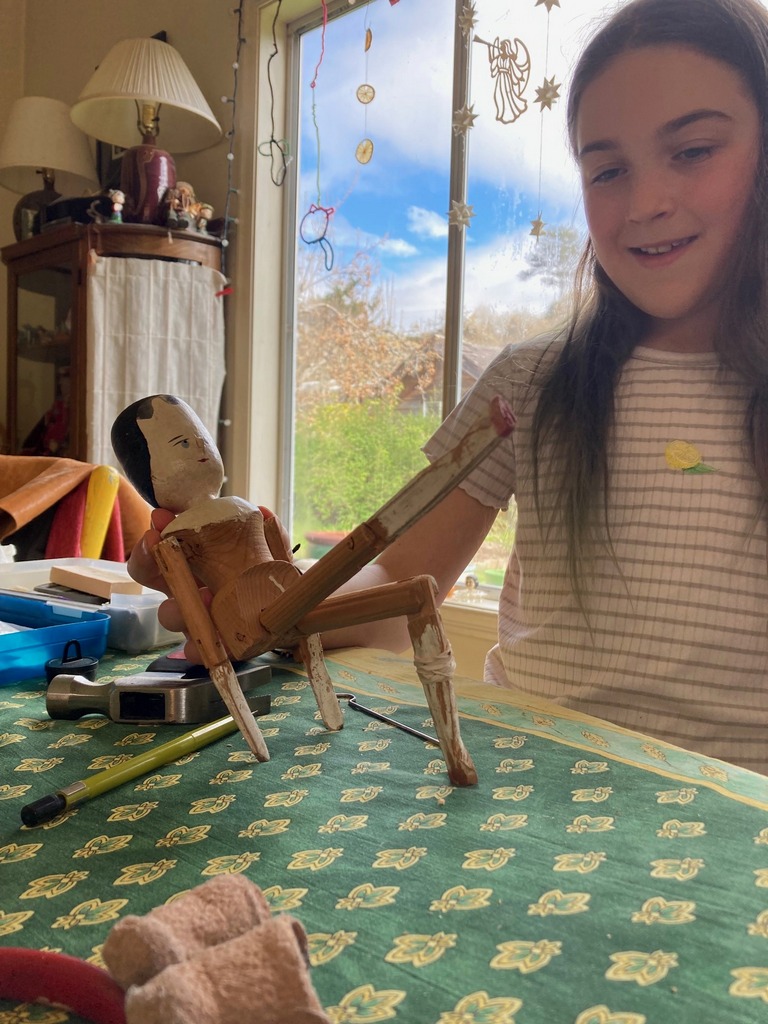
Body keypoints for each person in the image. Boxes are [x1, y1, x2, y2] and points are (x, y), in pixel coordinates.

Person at [128, 0, 768, 774]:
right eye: (607, 170)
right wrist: (273, 603)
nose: (646, 203)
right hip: (526, 787)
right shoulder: (530, 382)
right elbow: (401, 580)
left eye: (693, 150)